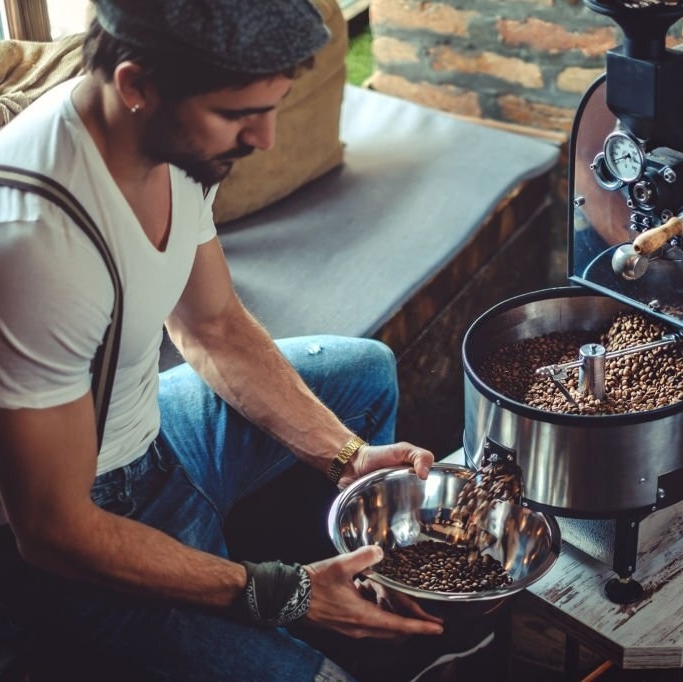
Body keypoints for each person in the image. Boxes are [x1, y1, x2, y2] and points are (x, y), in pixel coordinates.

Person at [0, 1, 446, 680]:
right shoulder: (36, 244)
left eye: (270, 108)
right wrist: (281, 592)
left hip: (154, 436)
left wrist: (344, 458)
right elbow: (51, 529)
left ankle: (349, 587)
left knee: (362, 377)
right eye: (239, 116)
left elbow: (211, 325)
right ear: (135, 84)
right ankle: (300, 609)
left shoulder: (164, 139)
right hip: (81, 524)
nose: (264, 139)